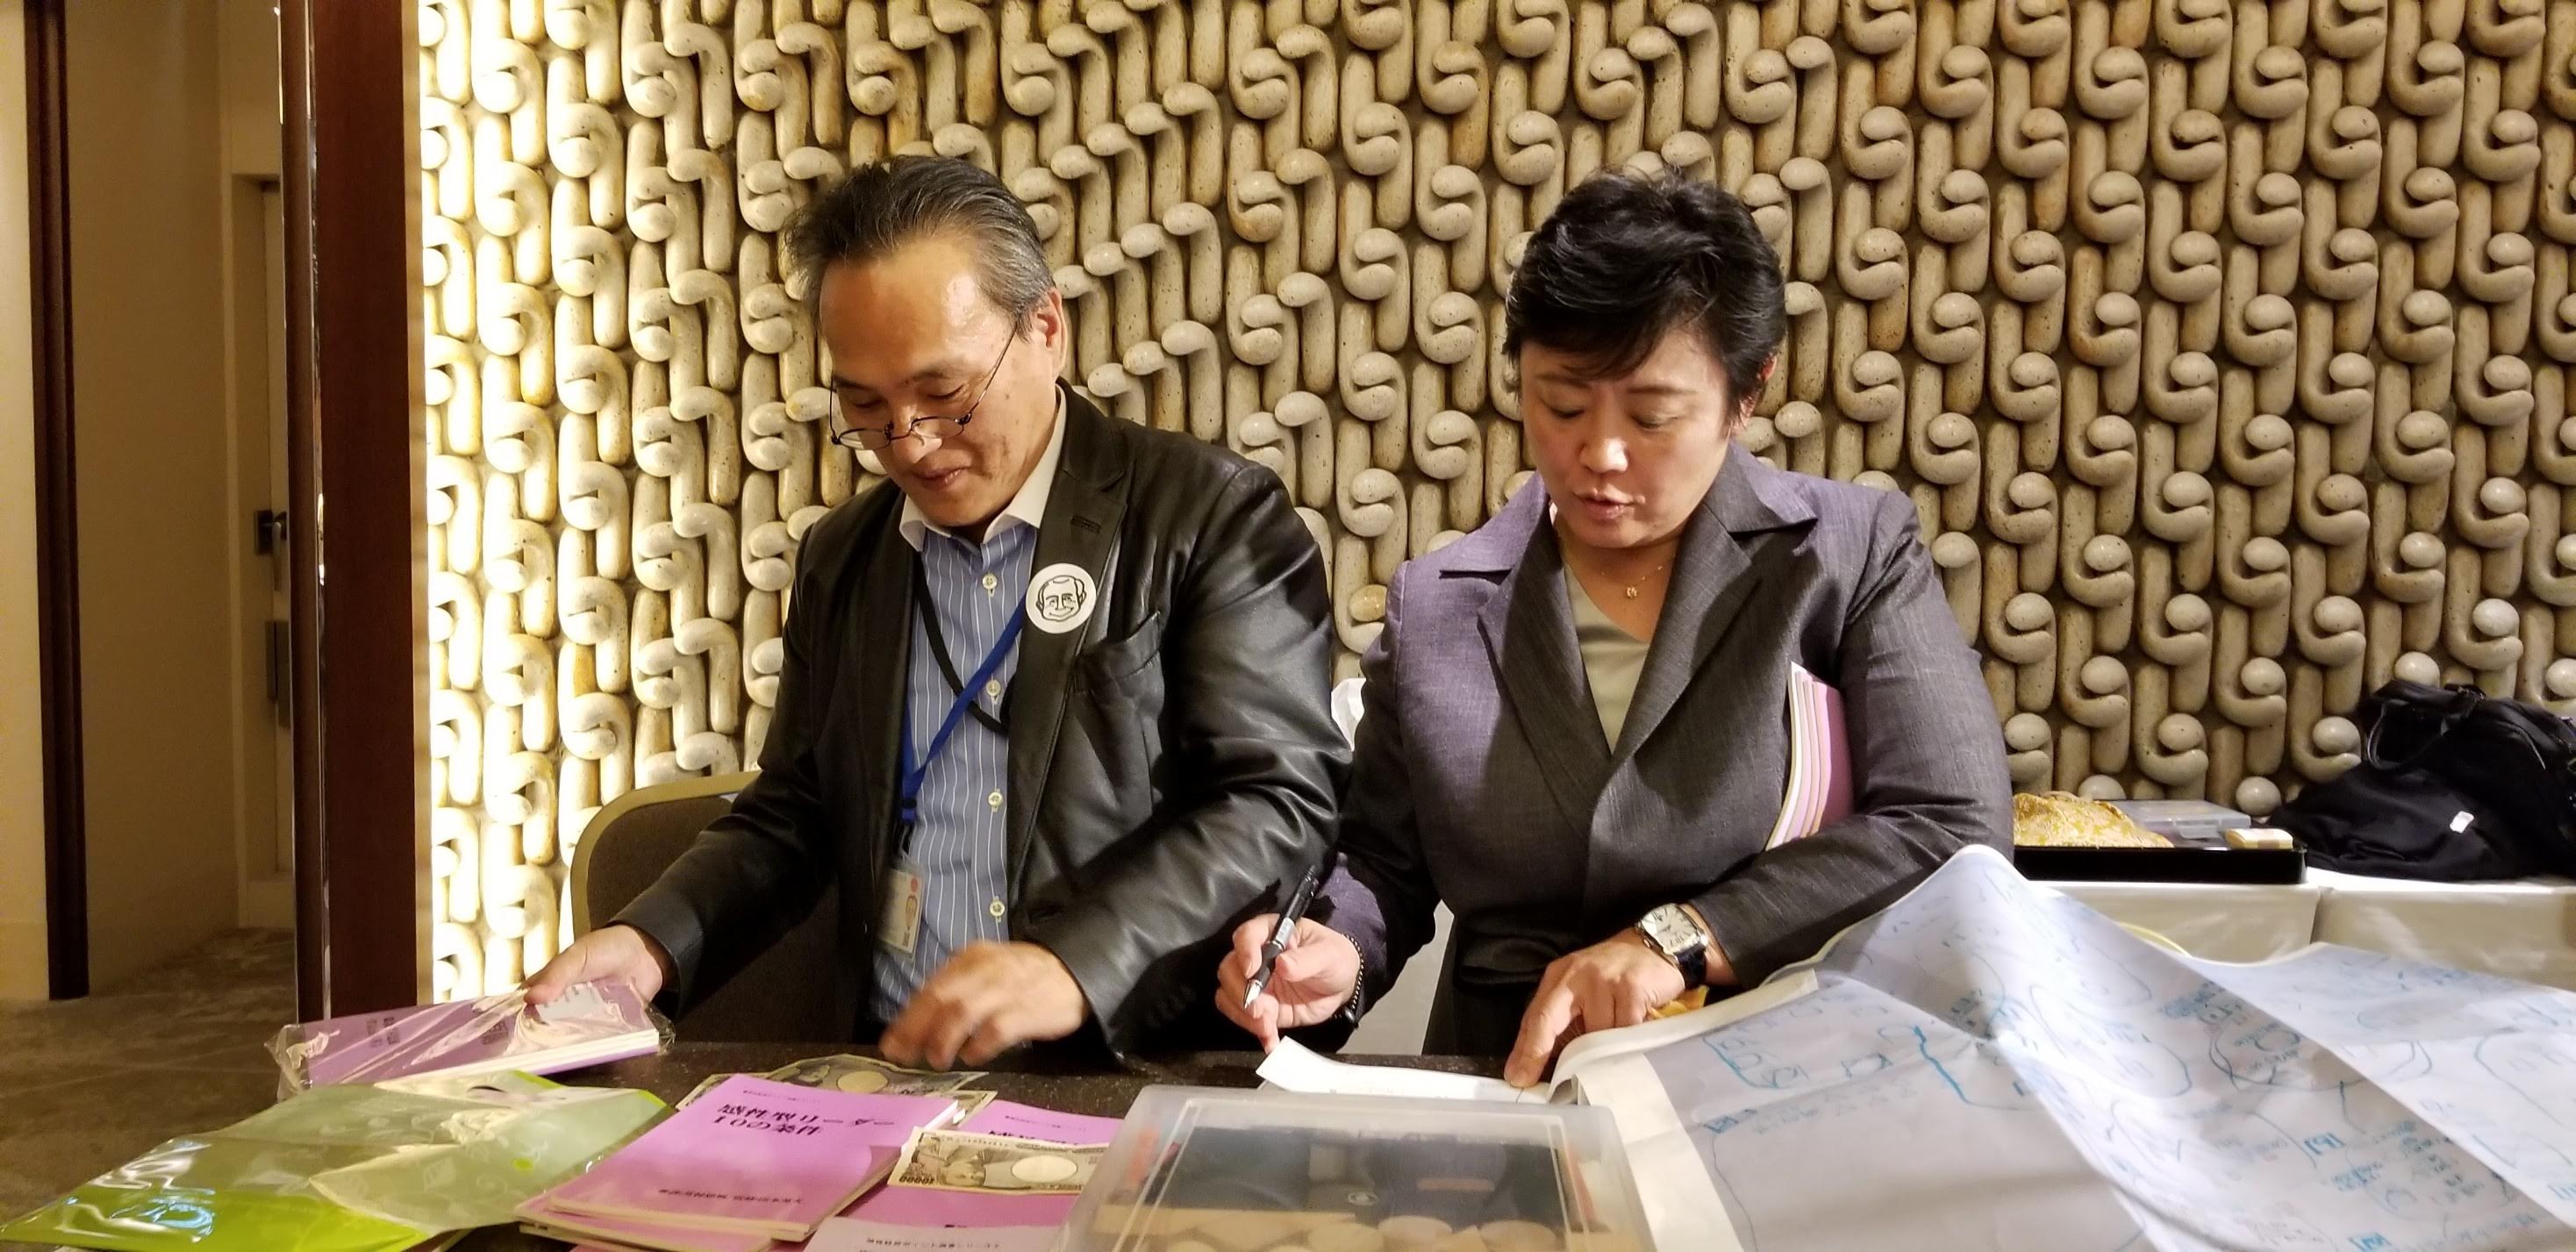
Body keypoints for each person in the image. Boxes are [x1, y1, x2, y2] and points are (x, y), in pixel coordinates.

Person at [529, 156, 1347, 1068]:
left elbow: (1277, 800)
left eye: (946, 393)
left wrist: (1075, 961)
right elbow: (792, 813)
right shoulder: (846, 557)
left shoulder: (1208, 517)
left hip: (1123, 1072)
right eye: (865, 404)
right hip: (893, 1071)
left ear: (1045, 328)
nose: (911, 443)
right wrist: (650, 941)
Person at [1215, 169, 2012, 1084]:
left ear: (1747, 393)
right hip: (1501, 1081)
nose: (1599, 452)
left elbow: (1950, 822)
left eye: (1652, 415)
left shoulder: (1846, 555)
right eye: (1560, 403)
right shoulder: (1435, 606)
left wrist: (1678, 936)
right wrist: (1338, 950)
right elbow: (1383, 864)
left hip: (1773, 1077)